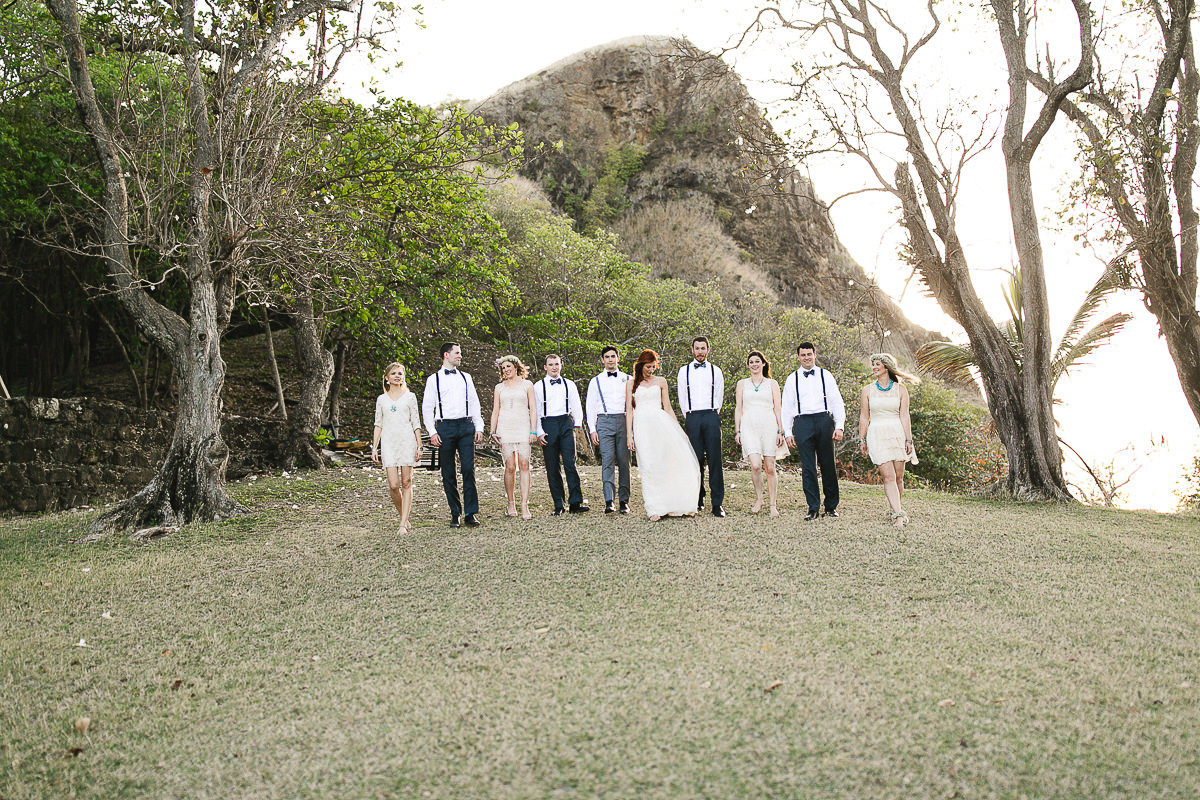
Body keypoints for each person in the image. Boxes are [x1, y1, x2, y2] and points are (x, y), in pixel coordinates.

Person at [627, 349, 701, 521]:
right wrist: (629, 435)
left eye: (653, 367)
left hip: (660, 424)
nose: (651, 370)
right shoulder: (631, 384)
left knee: (663, 463)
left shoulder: (661, 381)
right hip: (641, 426)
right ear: (640, 365)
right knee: (647, 465)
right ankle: (653, 507)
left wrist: (678, 429)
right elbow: (629, 411)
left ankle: (669, 503)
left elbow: (667, 407)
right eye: (648, 367)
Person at [421, 342, 484, 528]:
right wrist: (432, 431)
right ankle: (455, 513)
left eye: (460, 352)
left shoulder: (466, 378)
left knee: (468, 469)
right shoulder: (434, 380)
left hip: (465, 426)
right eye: (457, 353)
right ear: (446, 355)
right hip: (445, 427)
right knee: (448, 472)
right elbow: (427, 408)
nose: (460, 356)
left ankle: (470, 513)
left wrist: (478, 426)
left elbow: (474, 403)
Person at [782, 341, 847, 520]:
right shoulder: (792, 378)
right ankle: (813, 507)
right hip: (802, 422)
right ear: (798, 357)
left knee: (828, 465)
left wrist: (839, 425)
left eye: (809, 354)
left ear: (814, 355)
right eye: (803, 355)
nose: (806, 358)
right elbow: (786, 407)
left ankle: (831, 506)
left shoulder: (826, 375)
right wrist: (787, 432)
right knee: (808, 467)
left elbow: (836, 401)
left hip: (824, 420)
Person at [857, 352, 919, 528]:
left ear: (886, 366)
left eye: (877, 364)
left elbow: (905, 416)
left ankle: (894, 508)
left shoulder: (901, 390)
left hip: (897, 433)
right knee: (889, 477)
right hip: (877, 434)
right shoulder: (867, 390)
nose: (874, 367)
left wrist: (909, 439)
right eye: (873, 364)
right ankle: (899, 516)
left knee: (899, 477)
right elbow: (864, 416)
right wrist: (861, 439)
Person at [733, 350, 788, 516]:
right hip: (749, 426)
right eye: (751, 362)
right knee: (755, 465)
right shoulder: (742, 384)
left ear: (763, 364)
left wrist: (780, 430)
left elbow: (778, 408)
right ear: (748, 365)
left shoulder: (772, 384)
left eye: (757, 361)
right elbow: (738, 408)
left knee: (770, 467)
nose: (754, 365)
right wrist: (738, 430)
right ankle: (759, 498)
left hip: (769, 426)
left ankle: (772, 504)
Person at [677, 335, 726, 517]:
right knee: (694, 460)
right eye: (697, 348)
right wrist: (689, 416)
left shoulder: (716, 371)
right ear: (692, 350)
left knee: (715, 460)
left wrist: (713, 415)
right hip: (692, 417)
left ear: (708, 350)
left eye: (703, 348)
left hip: (711, 415)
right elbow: (682, 396)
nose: (700, 352)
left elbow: (719, 395)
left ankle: (717, 503)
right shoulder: (684, 371)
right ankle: (697, 498)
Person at [535, 354, 589, 515]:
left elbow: (576, 405)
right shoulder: (538, 386)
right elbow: (536, 411)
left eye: (557, 364)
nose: (554, 367)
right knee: (552, 467)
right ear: (545, 367)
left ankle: (575, 502)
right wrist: (539, 431)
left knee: (570, 463)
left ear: (561, 365)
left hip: (565, 423)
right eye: (550, 364)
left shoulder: (569, 384)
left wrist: (577, 423)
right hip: (547, 424)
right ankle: (559, 504)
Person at [371, 362, 422, 533]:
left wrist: (419, 445)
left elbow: (415, 421)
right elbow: (378, 424)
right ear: (387, 378)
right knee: (393, 485)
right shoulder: (381, 399)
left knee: (406, 482)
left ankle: (403, 523)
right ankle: (403, 516)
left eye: (400, 373)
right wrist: (374, 447)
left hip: (407, 441)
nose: (397, 376)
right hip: (389, 443)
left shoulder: (410, 397)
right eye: (393, 373)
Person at [490, 355, 538, 520]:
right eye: (503, 368)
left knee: (524, 464)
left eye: (508, 366)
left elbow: (533, 409)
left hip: (523, 427)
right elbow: (496, 410)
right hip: (505, 428)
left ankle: (524, 504)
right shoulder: (499, 387)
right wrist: (493, 430)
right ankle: (511, 502)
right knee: (510, 466)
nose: (506, 370)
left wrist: (533, 431)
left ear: (516, 367)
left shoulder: (527, 385)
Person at [585, 345, 632, 514]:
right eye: (607, 357)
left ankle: (624, 501)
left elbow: (634, 405)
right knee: (607, 461)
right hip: (603, 422)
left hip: (623, 420)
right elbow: (590, 406)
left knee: (624, 462)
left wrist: (632, 430)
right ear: (602, 359)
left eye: (613, 356)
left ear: (618, 358)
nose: (610, 359)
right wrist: (592, 429)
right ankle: (609, 500)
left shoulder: (628, 378)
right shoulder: (595, 381)